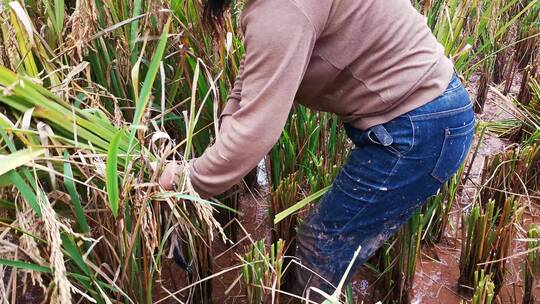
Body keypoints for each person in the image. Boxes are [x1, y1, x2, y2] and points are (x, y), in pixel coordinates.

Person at [160, 0, 475, 301]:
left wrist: (182, 178)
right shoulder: (274, 11)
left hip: (419, 128)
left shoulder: (283, 8)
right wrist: (228, 131)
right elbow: (250, 83)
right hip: (430, 115)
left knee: (323, 246)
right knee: (341, 244)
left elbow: (254, 134)